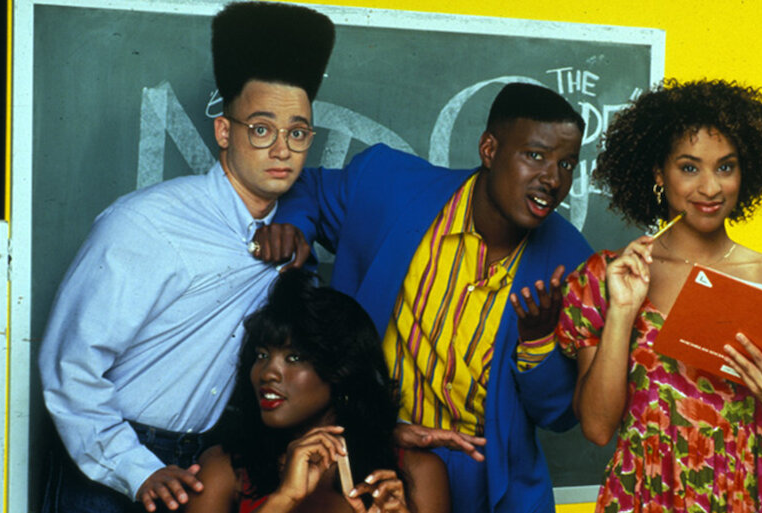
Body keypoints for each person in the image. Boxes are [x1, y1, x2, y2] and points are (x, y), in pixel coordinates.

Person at [38, 3, 332, 512]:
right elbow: (69, 366)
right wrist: (135, 467)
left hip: (205, 467)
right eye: (262, 129)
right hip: (111, 457)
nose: (282, 150)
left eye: (298, 132)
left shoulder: (288, 244)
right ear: (224, 132)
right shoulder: (148, 222)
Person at [254, 83, 593, 513]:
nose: (553, 179)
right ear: (489, 149)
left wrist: (538, 342)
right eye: (536, 156)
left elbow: (559, 415)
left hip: (486, 479)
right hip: (375, 458)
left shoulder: (572, 262)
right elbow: (309, 190)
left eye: (566, 164)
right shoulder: (391, 186)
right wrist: (294, 231)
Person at [552, 79, 762, 512]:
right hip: (647, 496)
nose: (711, 188)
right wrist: (623, 310)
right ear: (658, 174)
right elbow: (598, 429)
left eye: (725, 167)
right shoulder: (606, 279)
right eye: (689, 168)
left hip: (748, 495)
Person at [185, 269, 450, 513]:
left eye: (294, 358)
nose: (267, 373)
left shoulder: (417, 471)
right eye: (262, 355)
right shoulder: (223, 467)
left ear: (342, 370)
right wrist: (284, 498)